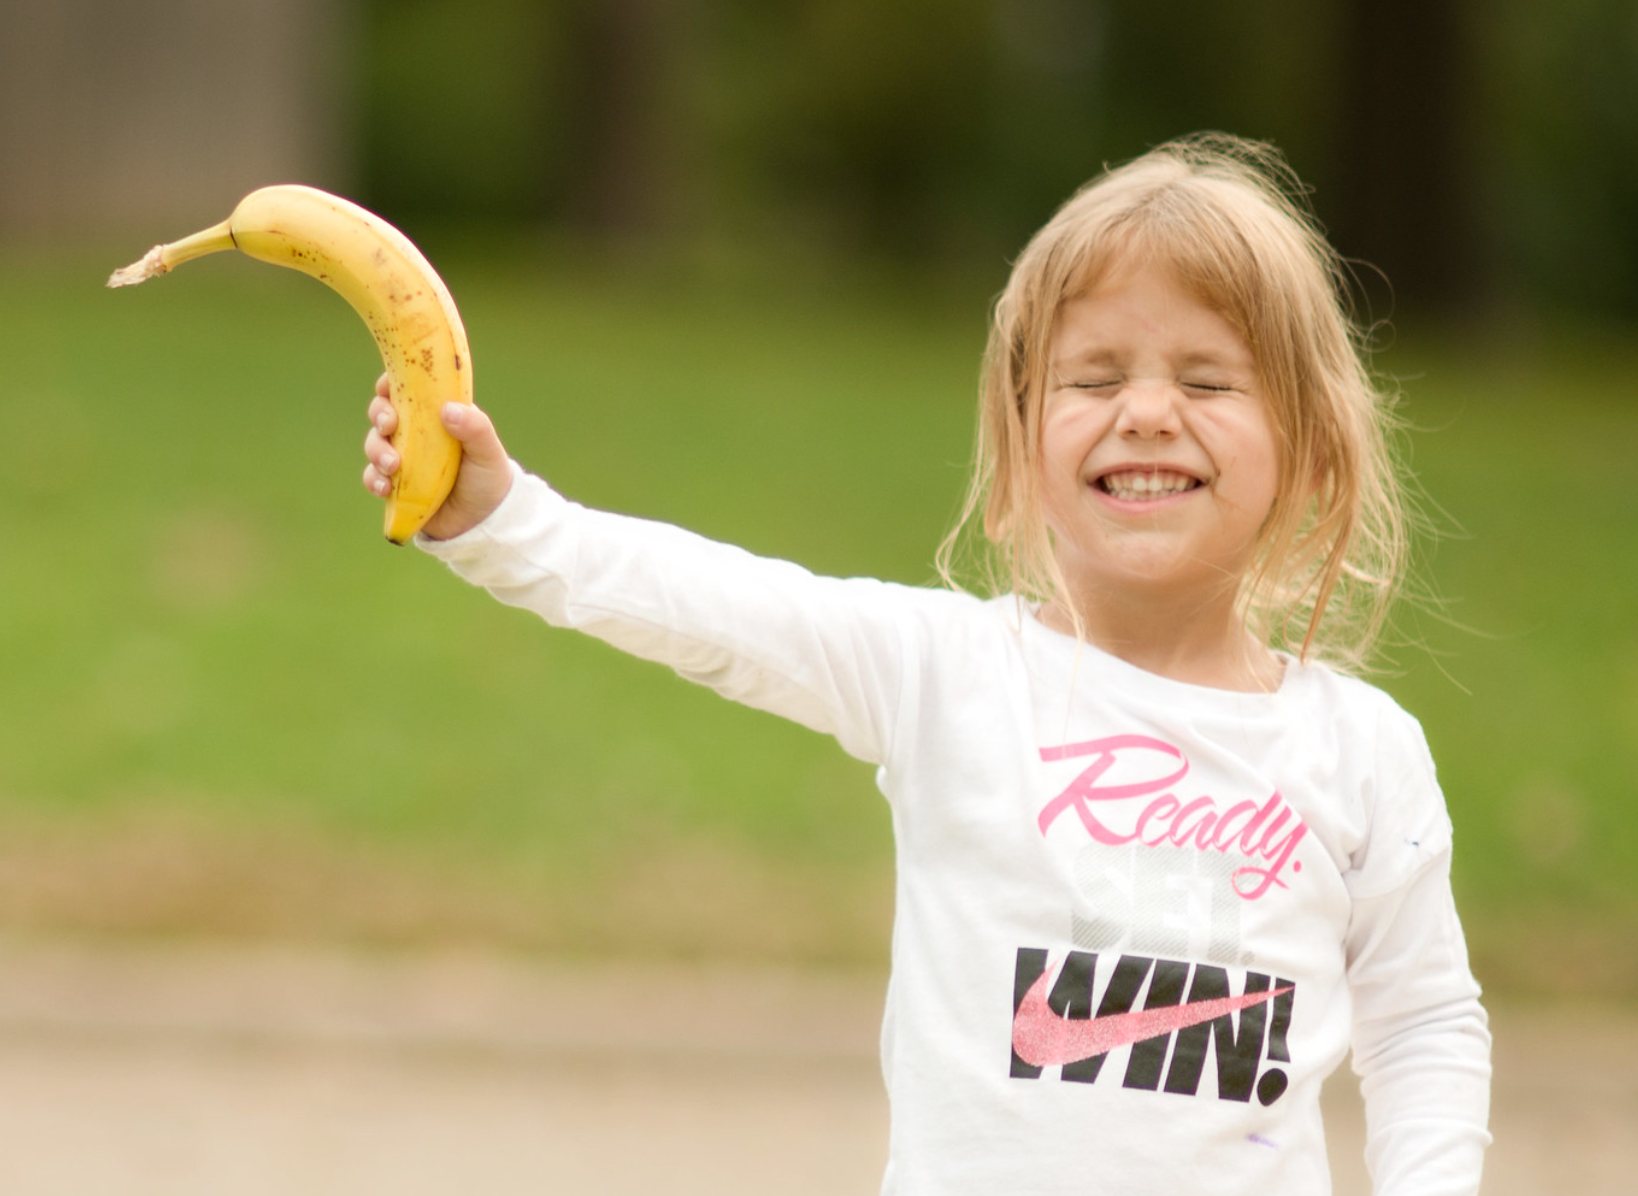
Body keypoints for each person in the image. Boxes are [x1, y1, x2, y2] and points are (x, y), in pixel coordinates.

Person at [360, 133, 1491, 1194]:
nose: (1147, 412)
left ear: (1309, 447)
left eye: (1205, 382)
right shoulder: (947, 675)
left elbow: (1423, 1020)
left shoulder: (1362, 752)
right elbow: (712, 604)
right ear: (1020, 438)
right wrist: (504, 519)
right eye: (1095, 378)